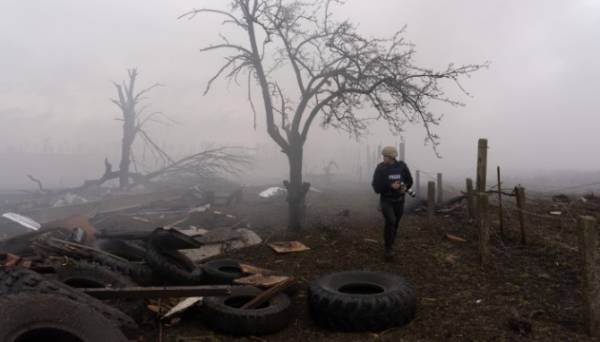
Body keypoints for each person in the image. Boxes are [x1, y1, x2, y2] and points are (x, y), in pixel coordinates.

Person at [371, 146, 413, 261]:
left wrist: (404, 187)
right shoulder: (380, 168)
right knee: (391, 221)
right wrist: (390, 186)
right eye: (383, 156)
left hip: (399, 200)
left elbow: (409, 181)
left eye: (385, 156)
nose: (383, 158)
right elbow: (376, 187)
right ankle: (388, 249)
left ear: (391, 157)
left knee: (395, 224)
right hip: (386, 200)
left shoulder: (402, 166)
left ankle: (391, 243)